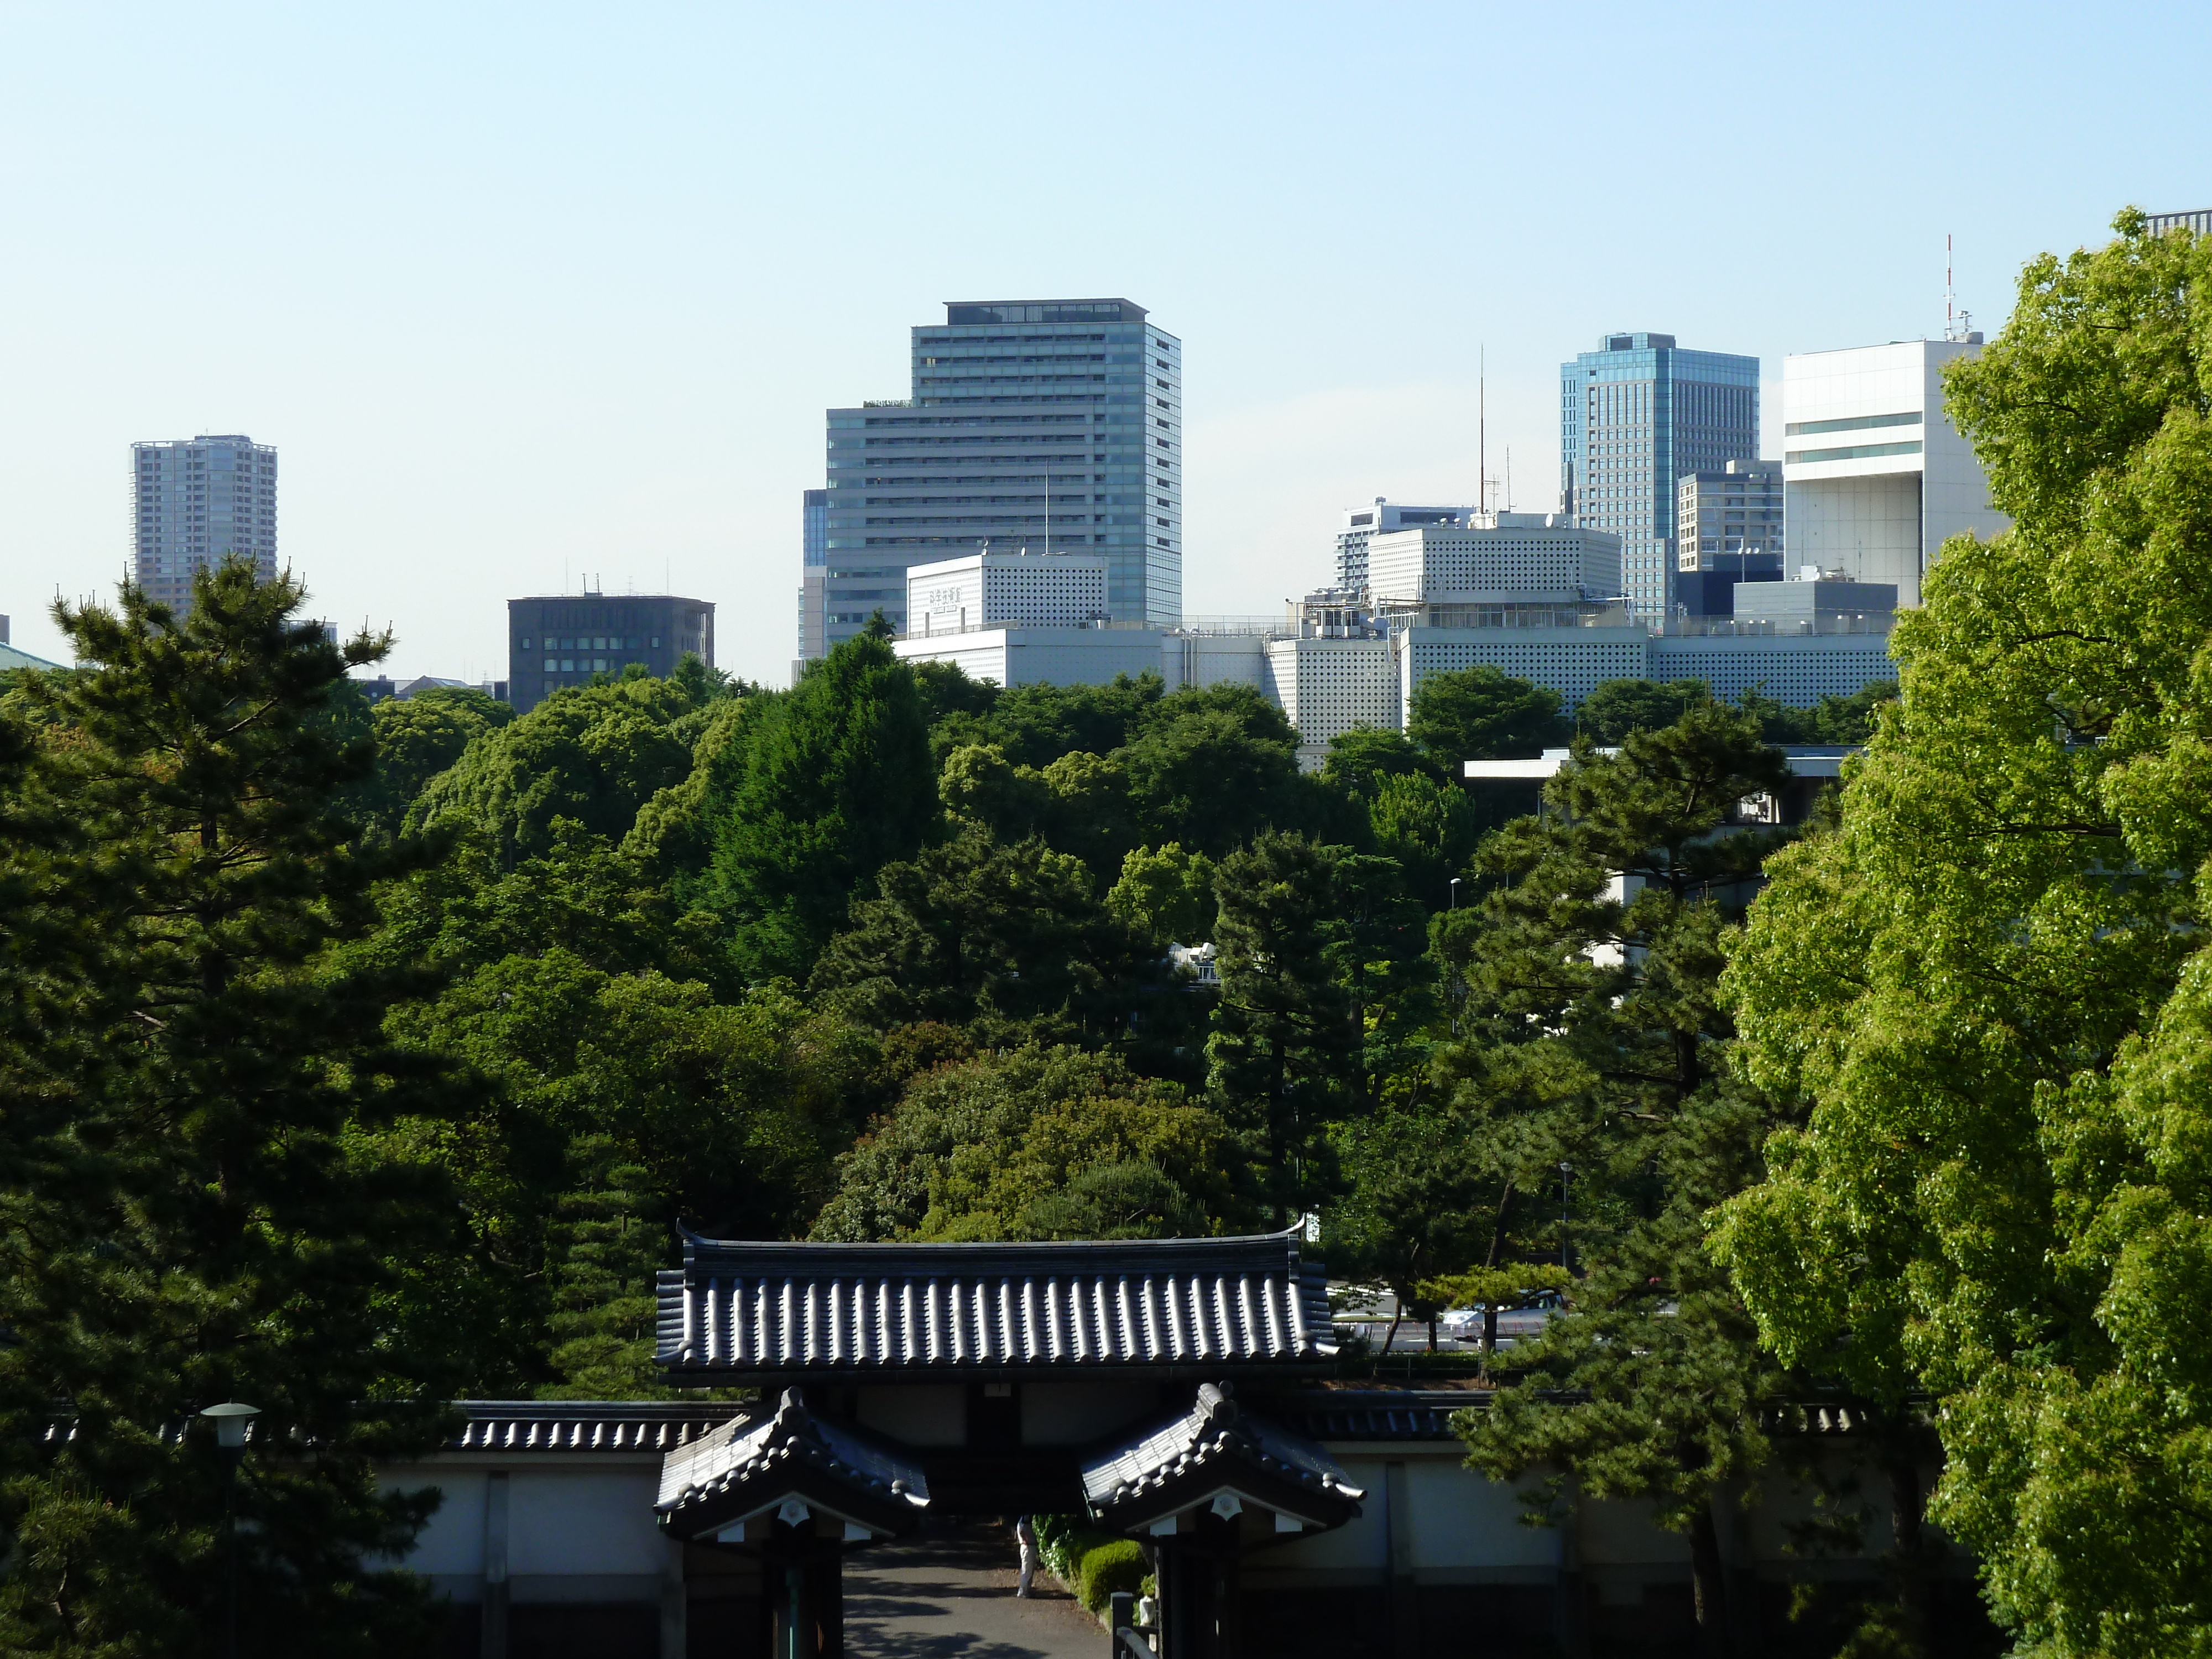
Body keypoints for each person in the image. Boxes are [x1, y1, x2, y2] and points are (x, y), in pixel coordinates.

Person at [1015, 1513, 1039, 1598]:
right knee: (1027, 1570)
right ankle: (1023, 1592)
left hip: (1030, 1546)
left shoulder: (1024, 1520)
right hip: (1027, 1546)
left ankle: (1027, 1590)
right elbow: (1021, 1530)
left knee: (1030, 1570)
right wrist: (1024, 1539)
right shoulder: (1024, 1521)